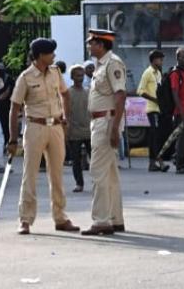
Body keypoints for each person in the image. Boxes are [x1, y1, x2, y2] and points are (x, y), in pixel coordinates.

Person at [8, 38, 77, 235]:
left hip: (55, 126)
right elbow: (14, 108)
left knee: (57, 174)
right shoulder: (26, 77)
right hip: (35, 126)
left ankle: (60, 217)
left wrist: (66, 117)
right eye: (50, 53)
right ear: (40, 56)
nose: (54, 56)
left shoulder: (55, 72)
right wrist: (13, 139)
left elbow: (65, 94)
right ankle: (25, 220)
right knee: (29, 174)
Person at [83, 29, 127, 236]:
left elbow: (120, 96)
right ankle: (115, 219)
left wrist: (114, 128)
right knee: (110, 174)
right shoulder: (101, 65)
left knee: (98, 172)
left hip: (106, 121)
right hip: (101, 120)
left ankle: (101, 221)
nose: (89, 46)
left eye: (91, 42)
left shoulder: (112, 63)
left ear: (101, 44)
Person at [137, 50, 167, 172]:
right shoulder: (148, 73)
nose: (161, 61)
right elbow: (140, 91)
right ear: (154, 60)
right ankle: (158, 162)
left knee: (157, 137)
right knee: (153, 137)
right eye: (160, 59)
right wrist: (154, 99)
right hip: (151, 109)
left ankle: (154, 163)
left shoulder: (158, 73)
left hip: (159, 109)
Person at [67, 65, 91, 192]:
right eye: (77, 75)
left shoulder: (88, 91)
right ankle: (79, 183)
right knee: (76, 160)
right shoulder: (68, 93)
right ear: (72, 77)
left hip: (88, 131)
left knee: (95, 159)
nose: (80, 78)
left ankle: (98, 182)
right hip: (74, 132)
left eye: (82, 75)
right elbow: (66, 113)